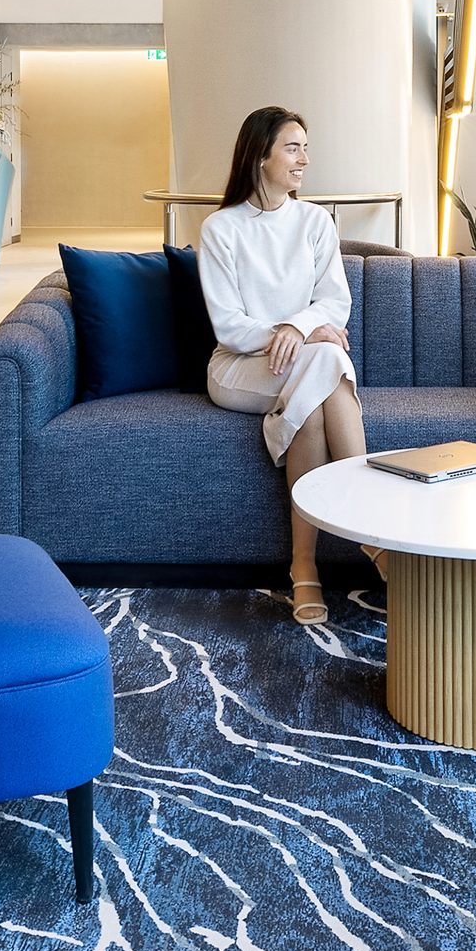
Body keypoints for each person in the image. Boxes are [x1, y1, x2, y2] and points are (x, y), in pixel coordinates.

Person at [196, 106, 368, 626]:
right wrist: (295, 331)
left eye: (305, 149)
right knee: (328, 360)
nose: (304, 160)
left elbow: (335, 302)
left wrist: (300, 328)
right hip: (239, 367)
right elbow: (228, 325)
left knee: (314, 397)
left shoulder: (315, 221)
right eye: (293, 148)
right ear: (260, 156)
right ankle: (371, 530)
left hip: (302, 364)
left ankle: (303, 567)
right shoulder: (221, 228)